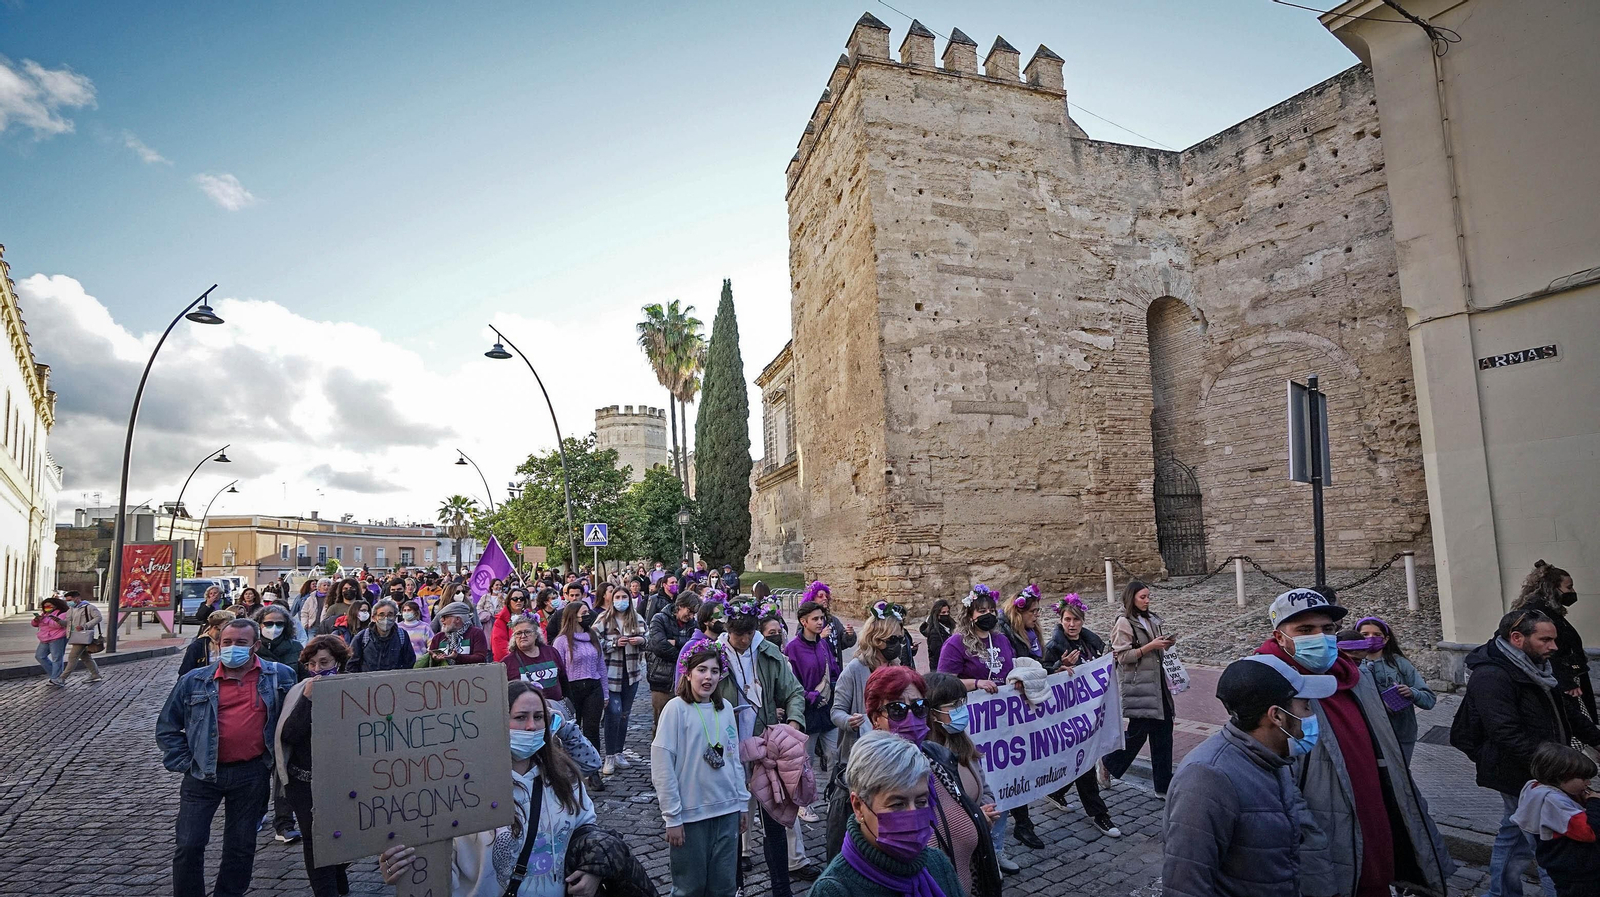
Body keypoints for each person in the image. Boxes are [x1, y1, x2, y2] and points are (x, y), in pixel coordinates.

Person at [1261, 587, 1454, 897]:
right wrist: (1308, 838)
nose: (1320, 637)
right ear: (1280, 636)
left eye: (1327, 629)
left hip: (1372, 819)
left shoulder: (1355, 675)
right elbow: (1272, 778)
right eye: (1305, 630)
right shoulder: (1267, 683)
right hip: (1323, 834)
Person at [379, 680, 600, 897]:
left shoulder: (563, 778)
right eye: (521, 717)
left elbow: (586, 829)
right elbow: (444, 867)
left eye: (539, 717)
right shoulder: (465, 791)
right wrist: (407, 869)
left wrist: (593, 869)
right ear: (498, 721)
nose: (531, 726)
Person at [1162, 654, 1335, 897]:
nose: (1310, 715)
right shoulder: (1207, 778)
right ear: (1276, 716)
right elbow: (1186, 882)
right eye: (1305, 706)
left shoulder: (1275, 758)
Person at [1456, 607, 1600, 897]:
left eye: (1554, 640)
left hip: (1545, 769)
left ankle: (1500, 893)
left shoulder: (1541, 667)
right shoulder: (1491, 675)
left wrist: (1596, 740)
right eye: (1545, 640)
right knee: (1546, 843)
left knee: (1515, 833)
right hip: (1521, 772)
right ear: (1517, 638)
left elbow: (1569, 711)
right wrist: (1559, 770)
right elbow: (1506, 733)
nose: (1554, 647)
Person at [156, 618, 298, 897]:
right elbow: (168, 726)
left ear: (255, 646)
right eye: (227, 642)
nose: (233, 648)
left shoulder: (279, 676)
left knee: (241, 846)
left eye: (241, 643)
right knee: (189, 844)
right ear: (218, 644)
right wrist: (185, 762)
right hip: (202, 775)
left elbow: (294, 718)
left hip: (251, 774)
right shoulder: (194, 680)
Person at [856, 664, 999, 895]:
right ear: (875, 718)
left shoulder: (939, 758)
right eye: (897, 709)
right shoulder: (864, 781)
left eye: (919, 707)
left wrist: (979, 821)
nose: (911, 717)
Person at [719, 596, 811, 891]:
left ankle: (781, 887)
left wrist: (793, 723)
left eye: (748, 634)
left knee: (775, 822)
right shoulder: (714, 657)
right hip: (729, 751)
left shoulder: (769, 653)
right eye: (738, 635)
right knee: (733, 824)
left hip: (767, 750)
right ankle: (736, 887)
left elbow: (794, 692)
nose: (744, 640)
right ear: (727, 630)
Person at [810, 729, 965, 897]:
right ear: (858, 806)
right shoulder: (833, 891)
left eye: (921, 802)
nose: (913, 815)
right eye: (898, 804)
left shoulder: (938, 863)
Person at [652, 644, 750, 897]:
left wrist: (742, 804)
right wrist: (672, 817)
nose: (708, 677)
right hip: (692, 814)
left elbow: (733, 759)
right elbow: (662, 765)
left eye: (715, 671)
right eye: (701, 670)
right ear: (688, 673)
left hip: (727, 810)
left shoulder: (725, 709)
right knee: (689, 888)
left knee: (725, 886)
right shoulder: (675, 709)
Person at [273, 635, 352, 896]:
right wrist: (307, 699)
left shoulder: (354, 688)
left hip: (343, 779)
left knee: (344, 835)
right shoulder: (299, 691)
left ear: (338, 662)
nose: (318, 669)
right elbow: (289, 735)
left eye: (324, 662)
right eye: (312, 664)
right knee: (314, 839)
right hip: (304, 781)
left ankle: (339, 874)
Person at [1038, 594, 1120, 836]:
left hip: (1089, 714)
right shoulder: (1054, 647)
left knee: (1081, 758)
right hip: (1067, 717)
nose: (1071, 624)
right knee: (1084, 761)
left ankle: (1057, 791)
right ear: (1060, 620)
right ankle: (1099, 814)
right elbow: (1045, 678)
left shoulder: (1090, 643)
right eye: (1067, 619)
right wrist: (1058, 667)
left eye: (1076, 619)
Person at [922, 671, 1003, 897]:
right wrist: (974, 820)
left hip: (975, 857)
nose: (961, 709)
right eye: (953, 705)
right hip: (948, 862)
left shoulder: (962, 742)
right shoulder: (924, 757)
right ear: (933, 712)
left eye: (962, 702)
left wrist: (984, 811)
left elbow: (984, 789)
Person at [1101, 580, 1176, 797]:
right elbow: (1123, 657)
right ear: (1132, 598)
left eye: (1148, 597)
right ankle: (1108, 763)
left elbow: (1152, 650)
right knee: (1137, 734)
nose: (1147, 601)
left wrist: (1163, 644)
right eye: (1142, 597)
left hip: (1157, 684)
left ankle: (1163, 786)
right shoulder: (1124, 622)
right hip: (1139, 687)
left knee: (1164, 734)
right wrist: (1151, 646)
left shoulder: (1151, 620)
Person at [993, 585, 1047, 852]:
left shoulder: (1031, 633)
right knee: (1014, 767)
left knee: (1025, 764)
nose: (1037, 616)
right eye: (1034, 611)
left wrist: (1057, 667)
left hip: (1025, 710)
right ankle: (1022, 823)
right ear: (1020, 611)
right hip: (1008, 713)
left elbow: (1036, 665)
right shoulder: (1006, 635)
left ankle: (1023, 821)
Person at [832, 601, 912, 768]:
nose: (896, 644)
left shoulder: (897, 668)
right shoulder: (855, 670)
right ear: (875, 639)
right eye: (891, 639)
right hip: (863, 753)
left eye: (899, 639)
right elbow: (836, 712)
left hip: (893, 749)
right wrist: (850, 721)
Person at [1514, 742, 1600, 897]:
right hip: (1577, 872)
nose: (1588, 783)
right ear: (1561, 777)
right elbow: (1589, 831)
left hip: (1563, 867)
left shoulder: (1535, 787)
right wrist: (1595, 802)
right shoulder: (1554, 802)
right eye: (1583, 778)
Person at [1348, 615, 1435, 765]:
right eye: (1365, 634)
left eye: (1377, 635)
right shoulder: (1349, 666)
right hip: (1366, 736)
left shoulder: (1400, 664)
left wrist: (1412, 693)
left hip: (1400, 734)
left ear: (1386, 639)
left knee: (1401, 777)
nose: (1371, 638)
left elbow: (1429, 700)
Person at [1515, 561, 1595, 721]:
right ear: (1553, 588)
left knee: (1580, 724)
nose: (1572, 592)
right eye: (1569, 587)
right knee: (1576, 725)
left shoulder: (1549, 612)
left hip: (1567, 677)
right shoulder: (1538, 614)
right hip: (1561, 681)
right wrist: (1566, 681)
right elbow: (1542, 651)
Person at [553, 601, 609, 792]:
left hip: (593, 686)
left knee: (592, 729)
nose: (588, 616)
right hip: (572, 688)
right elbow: (559, 670)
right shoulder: (561, 641)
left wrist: (605, 692)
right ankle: (571, 772)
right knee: (570, 731)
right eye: (584, 613)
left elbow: (601, 665)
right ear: (573, 616)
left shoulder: (592, 636)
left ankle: (593, 772)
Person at [787, 599, 842, 777]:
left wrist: (834, 685)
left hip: (827, 710)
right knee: (806, 762)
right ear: (804, 621)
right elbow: (790, 684)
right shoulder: (792, 649)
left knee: (836, 755)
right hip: (807, 714)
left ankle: (835, 796)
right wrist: (809, 696)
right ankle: (807, 802)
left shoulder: (823, 645)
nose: (820, 622)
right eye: (815, 619)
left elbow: (834, 670)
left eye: (822, 618)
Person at [596, 582, 647, 776]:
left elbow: (647, 637)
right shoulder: (604, 618)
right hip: (611, 674)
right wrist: (613, 643)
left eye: (624, 597)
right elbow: (594, 642)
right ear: (611, 599)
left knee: (624, 714)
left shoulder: (637, 618)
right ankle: (608, 755)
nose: (620, 601)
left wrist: (641, 641)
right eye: (617, 597)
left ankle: (618, 752)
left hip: (631, 674)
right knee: (613, 712)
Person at [649, 593, 701, 732]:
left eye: (693, 613)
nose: (690, 616)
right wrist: (684, 657)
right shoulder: (659, 619)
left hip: (686, 682)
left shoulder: (693, 625)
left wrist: (676, 642)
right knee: (661, 724)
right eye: (689, 612)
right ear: (680, 606)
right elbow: (659, 646)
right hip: (662, 678)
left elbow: (697, 645)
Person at [505, 614, 570, 696]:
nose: (523, 636)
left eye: (527, 632)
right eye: (518, 633)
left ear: (536, 634)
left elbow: (564, 680)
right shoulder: (508, 662)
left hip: (556, 706)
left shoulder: (551, 652)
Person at [348, 598, 416, 672]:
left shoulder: (402, 636)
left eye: (390, 615)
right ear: (374, 618)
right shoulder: (362, 637)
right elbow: (351, 665)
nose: (386, 618)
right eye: (381, 615)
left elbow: (409, 662)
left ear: (395, 617)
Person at [421, 601, 490, 666]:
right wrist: (434, 659)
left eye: (445, 617)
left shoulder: (476, 633)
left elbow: (480, 658)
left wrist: (457, 657)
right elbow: (430, 661)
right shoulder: (438, 637)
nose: (442, 620)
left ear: (457, 619)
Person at [804, 581, 857, 664]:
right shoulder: (806, 622)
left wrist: (848, 635)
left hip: (835, 668)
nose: (825, 598)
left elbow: (842, 643)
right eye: (820, 596)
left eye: (826, 596)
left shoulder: (833, 620)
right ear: (812, 599)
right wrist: (820, 637)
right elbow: (803, 648)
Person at [59, 590, 104, 683]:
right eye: (66, 600)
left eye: (70, 600)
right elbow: (67, 623)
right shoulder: (71, 610)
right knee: (85, 657)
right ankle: (95, 675)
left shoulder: (89, 607)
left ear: (77, 598)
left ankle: (62, 678)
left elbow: (98, 617)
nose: (68, 602)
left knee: (72, 657)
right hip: (75, 636)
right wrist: (57, 621)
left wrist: (85, 626)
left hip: (84, 635)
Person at [179, 609, 236, 676]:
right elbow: (185, 672)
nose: (231, 628)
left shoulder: (231, 642)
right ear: (216, 626)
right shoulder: (198, 645)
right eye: (227, 624)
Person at [255, 605, 304, 678]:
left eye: (279, 624)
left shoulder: (296, 647)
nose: (274, 628)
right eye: (269, 624)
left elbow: (304, 675)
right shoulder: (252, 647)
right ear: (259, 624)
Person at [32, 595, 69, 685]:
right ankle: (56, 675)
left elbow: (58, 625)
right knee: (40, 656)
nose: (47, 608)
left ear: (55, 605)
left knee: (57, 658)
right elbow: (35, 624)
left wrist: (45, 620)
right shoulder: (44, 614)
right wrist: (36, 620)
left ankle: (56, 678)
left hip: (57, 637)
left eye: (49, 606)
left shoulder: (62, 613)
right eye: (45, 606)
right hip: (45, 638)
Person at [492, 587, 532, 661]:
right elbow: (500, 646)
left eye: (521, 598)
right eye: (515, 599)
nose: (519, 601)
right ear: (509, 602)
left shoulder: (531, 617)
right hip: (513, 660)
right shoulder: (500, 621)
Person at [921, 600, 954, 672]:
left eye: (948, 612)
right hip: (939, 669)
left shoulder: (946, 628)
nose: (946, 614)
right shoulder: (935, 633)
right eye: (943, 612)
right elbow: (937, 654)